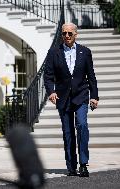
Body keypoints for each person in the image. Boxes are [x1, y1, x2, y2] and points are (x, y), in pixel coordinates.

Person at [44, 23, 99, 177]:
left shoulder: (85, 52)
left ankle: (83, 163)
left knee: (82, 125)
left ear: (76, 34)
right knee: (68, 133)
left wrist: (94, 96)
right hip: (63, 98)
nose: (66, 36)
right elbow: (48, 76)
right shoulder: (54, 52)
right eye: (64, 34)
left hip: (81, 95)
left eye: (69, 33)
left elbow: (91, 76)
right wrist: (51, 92)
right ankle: (71, 166)